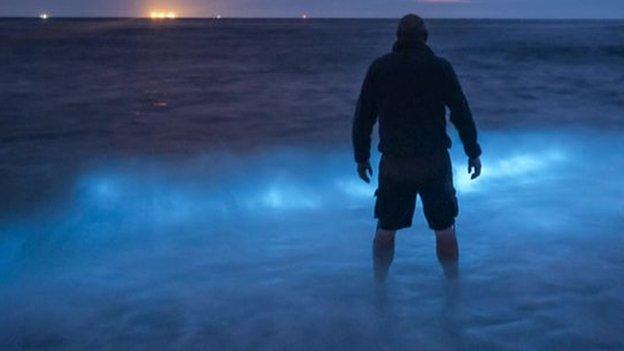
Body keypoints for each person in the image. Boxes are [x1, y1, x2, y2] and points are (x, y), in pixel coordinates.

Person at [352, 14, 482, 281]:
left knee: (386, 228)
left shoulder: (380, 68)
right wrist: (473, 152)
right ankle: (452, 287)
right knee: (445, 228)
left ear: (398, 37)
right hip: (433, 161)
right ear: (425, 37)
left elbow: (364, 117)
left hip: (395, 163)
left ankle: (379, 285)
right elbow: (461, 112)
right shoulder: (440, 68)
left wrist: (362, 157)